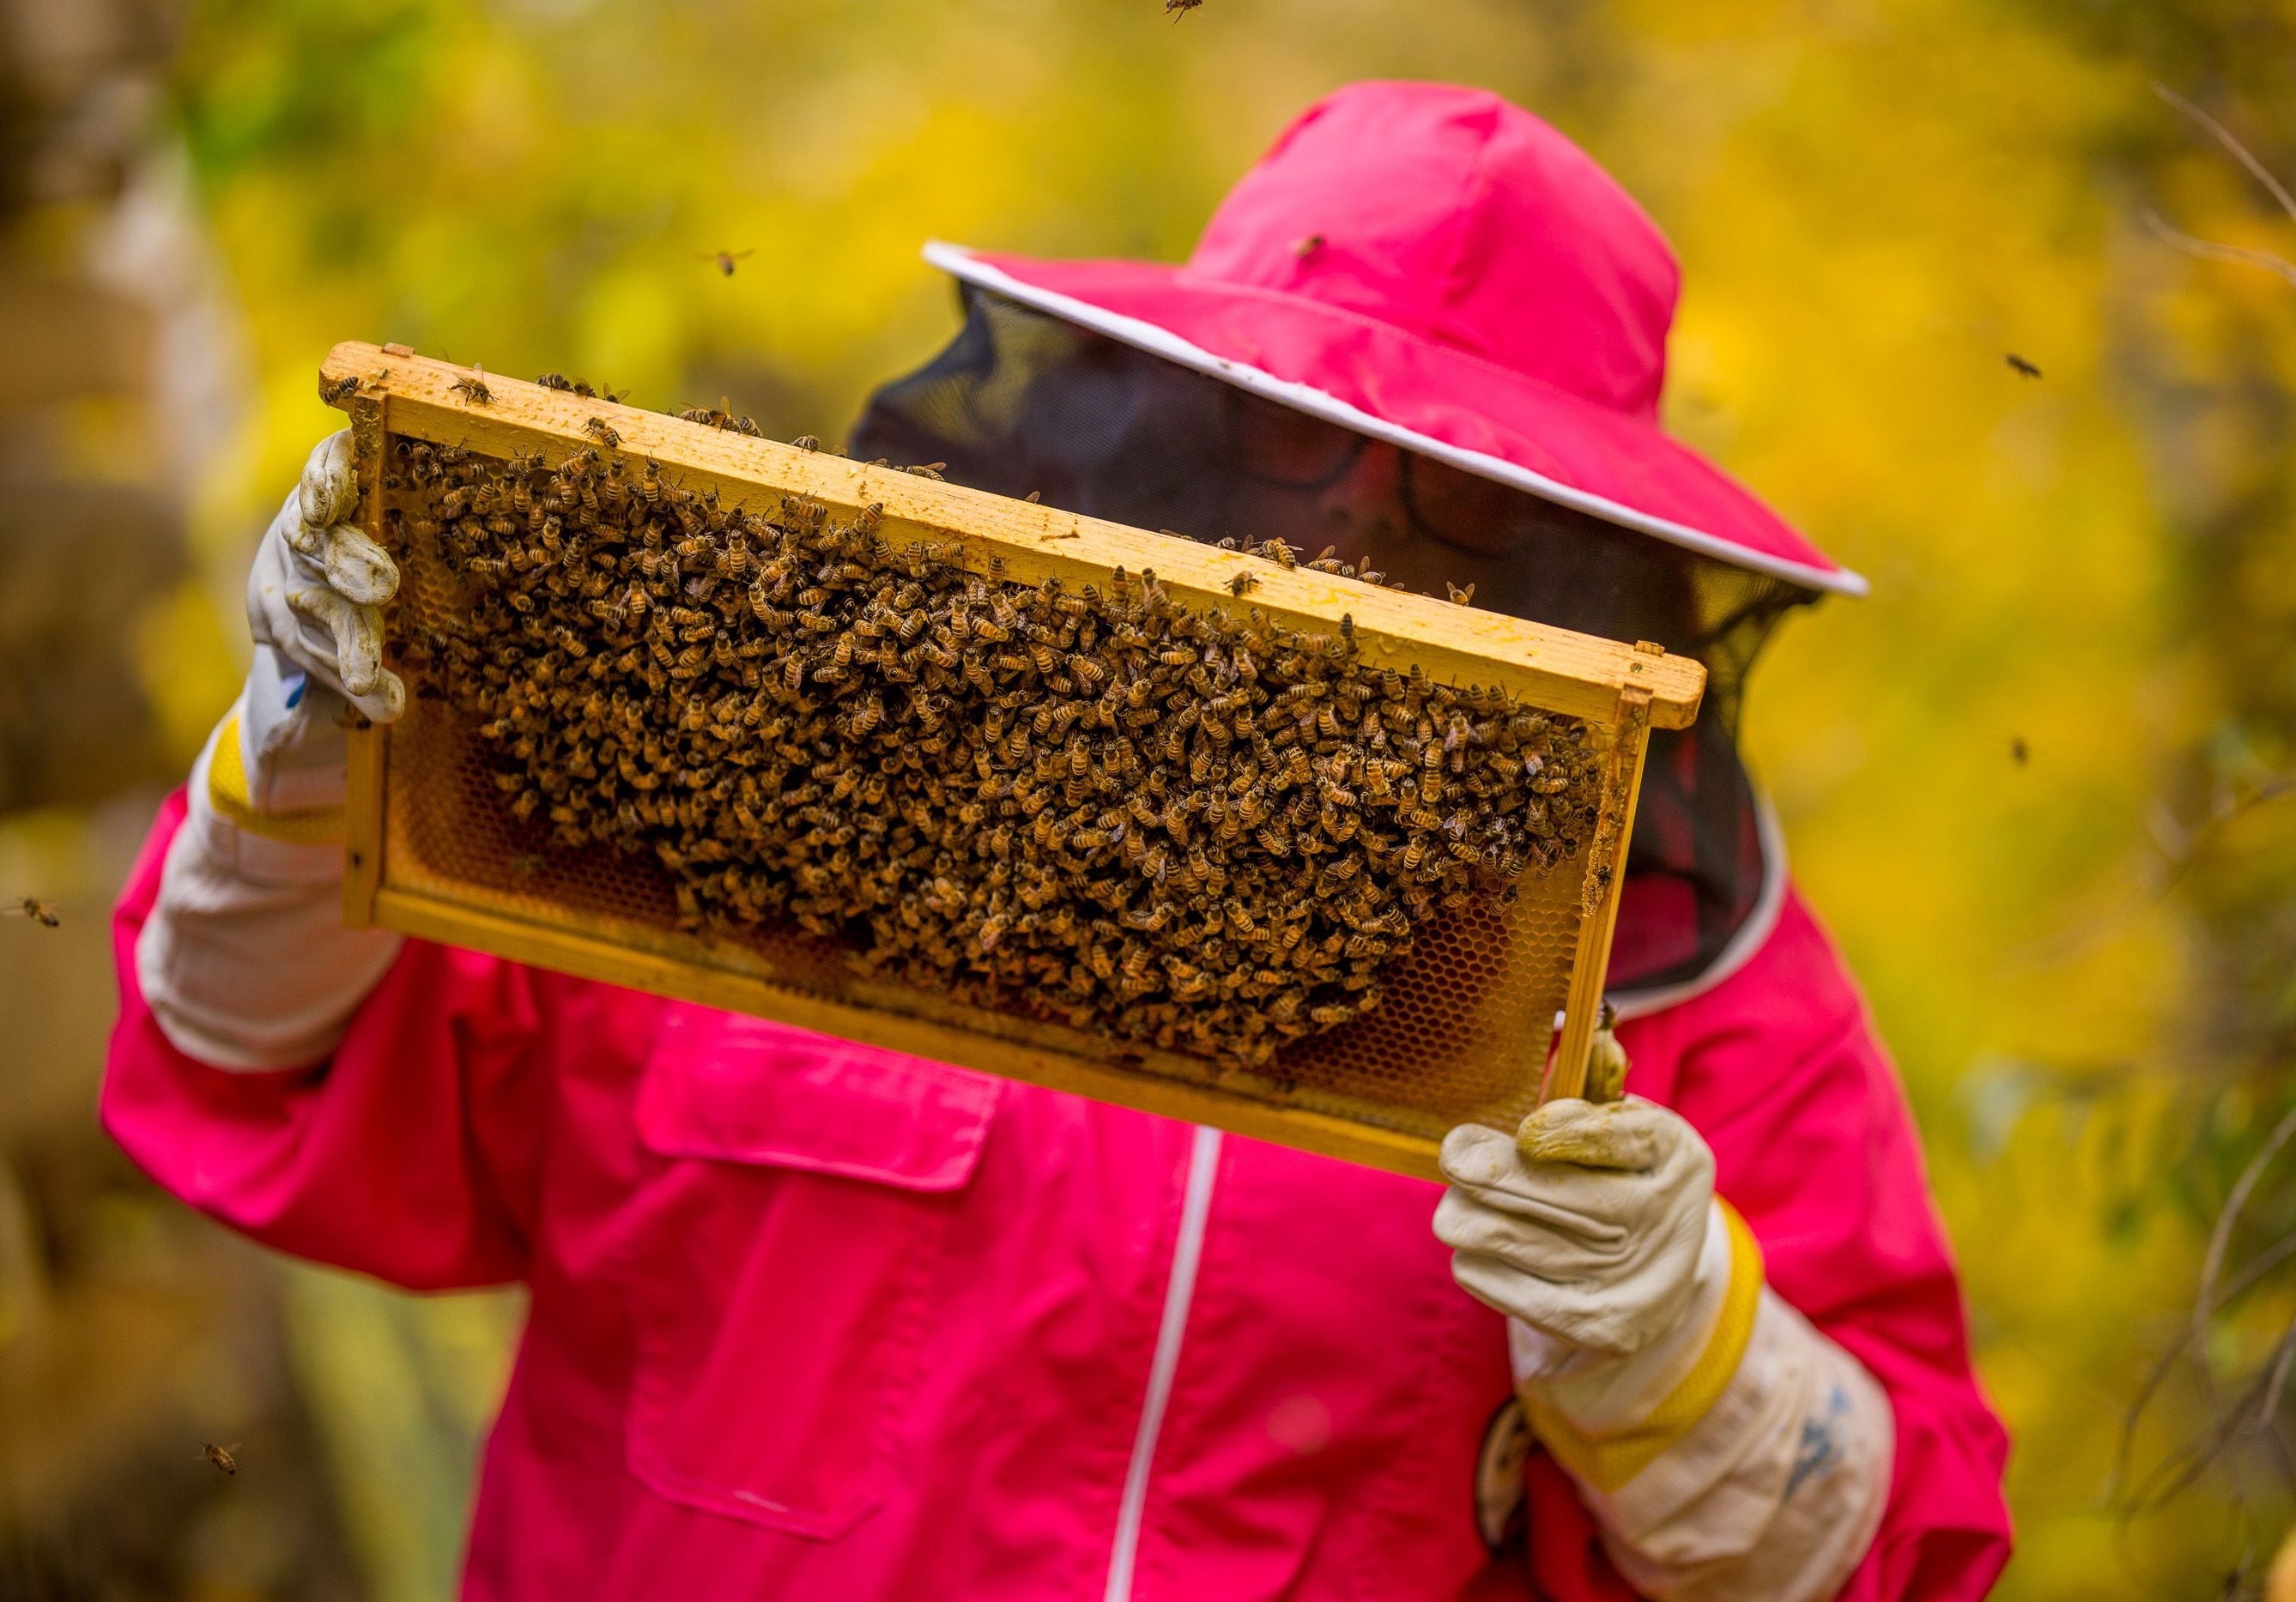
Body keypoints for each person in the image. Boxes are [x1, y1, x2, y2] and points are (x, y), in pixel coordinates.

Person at [104, 81, 2011, 1601]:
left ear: (1590, 554)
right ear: (1150, 414)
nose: (1347, 530)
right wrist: (307, 757)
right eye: (1283, 441)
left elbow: (1885, 1553)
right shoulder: (787, 744)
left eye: (1450, 494)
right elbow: (253, 1055)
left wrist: (1687, 1352)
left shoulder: (1686, 978)